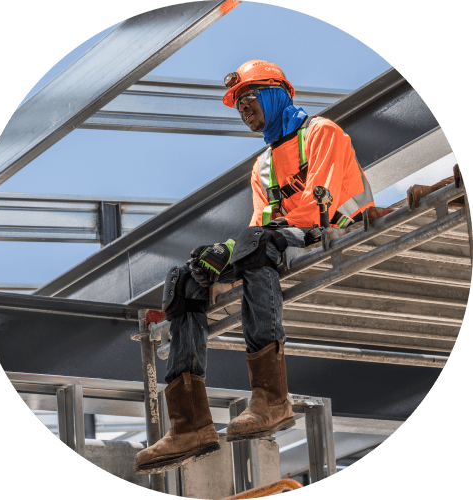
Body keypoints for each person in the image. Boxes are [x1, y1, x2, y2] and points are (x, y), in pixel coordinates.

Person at [135, 60, 374, 474]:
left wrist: (242, 246)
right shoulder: (261, 165)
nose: (244, 109)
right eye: (239, 105)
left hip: (335, 231)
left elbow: (315, 211)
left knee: (256, 245)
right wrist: (220, 256)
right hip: (281, 240)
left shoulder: (322, 133)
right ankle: (190, 423)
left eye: (249, 99)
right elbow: (259, 226)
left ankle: (271, 399)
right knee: (185, 279)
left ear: (274, 94)